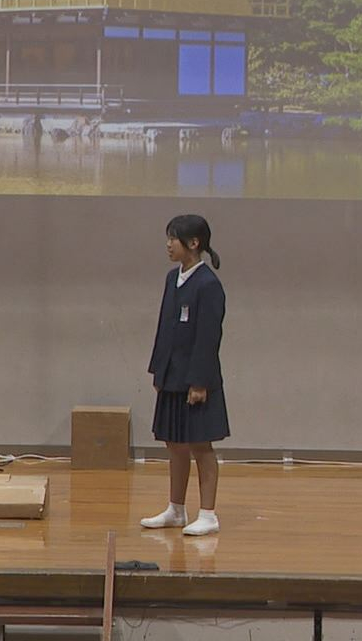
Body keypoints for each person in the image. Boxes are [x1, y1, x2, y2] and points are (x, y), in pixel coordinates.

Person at [140, 214, 229, 537]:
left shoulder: (208, 285)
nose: (168, 244)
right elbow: (165, 328)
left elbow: (208, 338)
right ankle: (176, 509)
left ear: (193, 243)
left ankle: (208, 514)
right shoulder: (170, 278)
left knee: (200, 446)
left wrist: (199, 382)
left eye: (173, 238)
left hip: (196, 380)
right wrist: (158, 370)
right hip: (171, 376)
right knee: (173, 443)